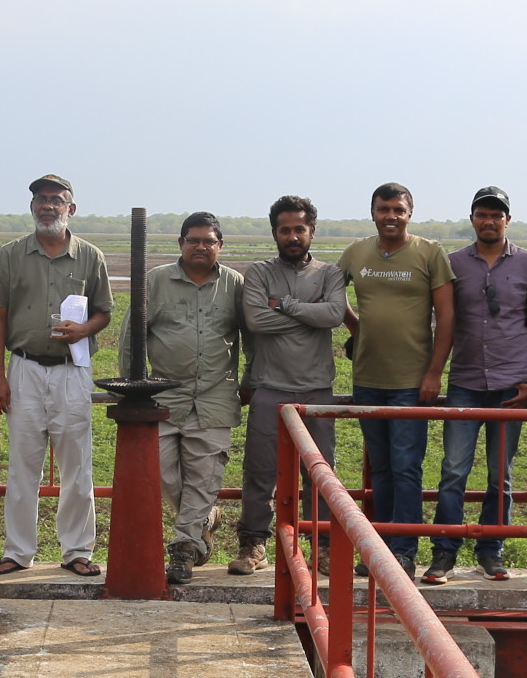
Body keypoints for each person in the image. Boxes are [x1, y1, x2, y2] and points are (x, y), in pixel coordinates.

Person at [0, 176, 113, 577]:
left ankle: (77, 550)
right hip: (24, 368)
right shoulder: (10, 255)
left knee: (77, 465)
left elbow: (104, 311)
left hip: (72, 369)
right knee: (23, 464)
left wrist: (84, 329)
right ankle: (18, 551)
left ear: (70, 208)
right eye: (41, 199)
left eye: (56, 200)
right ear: (32, 206)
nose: (48, 206)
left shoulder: (90, 256)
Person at [429, 186, 527, 583]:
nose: (490, 221)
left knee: (501, 474)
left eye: (497, 215)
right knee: (453, 470)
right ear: (472, 219)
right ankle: (444, 552)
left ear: (508, 220)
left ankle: (491, 551)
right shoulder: (454, 263)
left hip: (511, 385)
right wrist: (434, 371)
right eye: (483, 214)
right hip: (465, 381)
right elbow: (443, 322)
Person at [338, 183, 455, 567]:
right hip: (368, 377)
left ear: (409, 213)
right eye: (383, 209)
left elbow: (447, 317)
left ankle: (404, 550)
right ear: (373, 212)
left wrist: (434, 373)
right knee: (381, 467)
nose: (391, 216)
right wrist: (357, 327)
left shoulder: (429, 253)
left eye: (398, 210)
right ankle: (382, 548)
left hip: (411, 381)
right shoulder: (356, 252)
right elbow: (331, 293)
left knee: (406, 466)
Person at [236, 195, 351, 576]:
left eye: (299, 229)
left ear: (311, 231)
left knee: (319, 473)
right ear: (274, 233)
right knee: (260, 471)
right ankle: (253, 543)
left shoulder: (330, 274)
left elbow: (334, 314)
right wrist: (309, 314)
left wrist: (283, 305)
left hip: (316, 390)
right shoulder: (259, 272)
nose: (292, 236)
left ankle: (322, 546)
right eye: (284, 230)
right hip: (270, 387)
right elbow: (256, 320)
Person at [139, 213, 245, 585]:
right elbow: (133, 335)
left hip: (214, 396)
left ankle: (185, 549)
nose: (201, 247)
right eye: (193, 240)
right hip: (164, 396)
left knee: (203, 477)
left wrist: (249, 382)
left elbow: (251, 336)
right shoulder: (156, 280)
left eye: (209, 241)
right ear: (180, 243)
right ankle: (204, 518)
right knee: (162, 471)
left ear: (220, 245)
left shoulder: (234, 283)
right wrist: (133, 389)